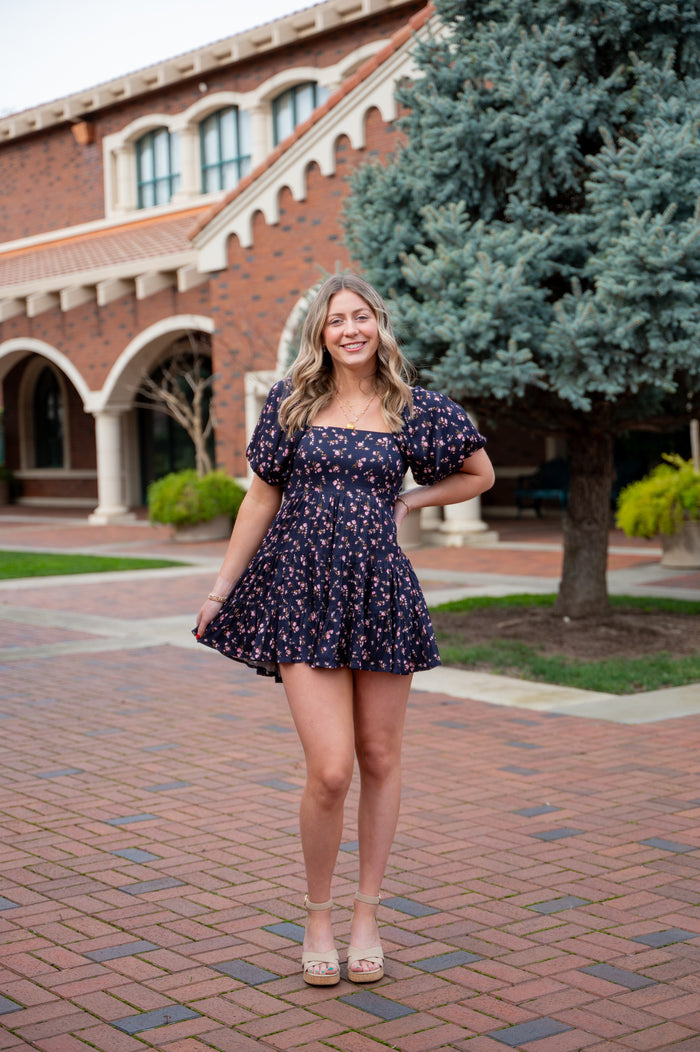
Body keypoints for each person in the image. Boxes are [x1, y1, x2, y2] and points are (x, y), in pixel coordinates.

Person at [195, 273, 494, 986]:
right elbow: (261, 498)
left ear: (379, 325)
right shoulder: (293, 404)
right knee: (331, 769)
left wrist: (413, 499)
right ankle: (318, 915)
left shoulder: (412, 408)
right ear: (321, 335)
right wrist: (220, 589)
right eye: (337, 321)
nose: (351, 329)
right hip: (301, 591)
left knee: (381, 758)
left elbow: (479, 472)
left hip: (380, 592)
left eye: (361, 316)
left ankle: (366, 916)